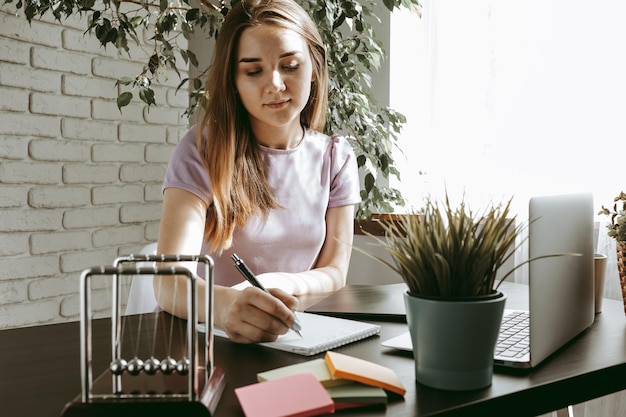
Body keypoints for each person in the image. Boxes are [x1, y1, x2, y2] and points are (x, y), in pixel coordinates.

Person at [154, 0, 361, 344]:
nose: (275, 84)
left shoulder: (335, 157)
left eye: (290, 65)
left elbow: (335, 272)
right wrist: (226, 306)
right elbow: (168, 282)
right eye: (253, 71)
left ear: (313, 68)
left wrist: (283, 286)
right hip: (208, 342)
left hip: (292, 338)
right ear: (233, 80)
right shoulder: (202, 149)